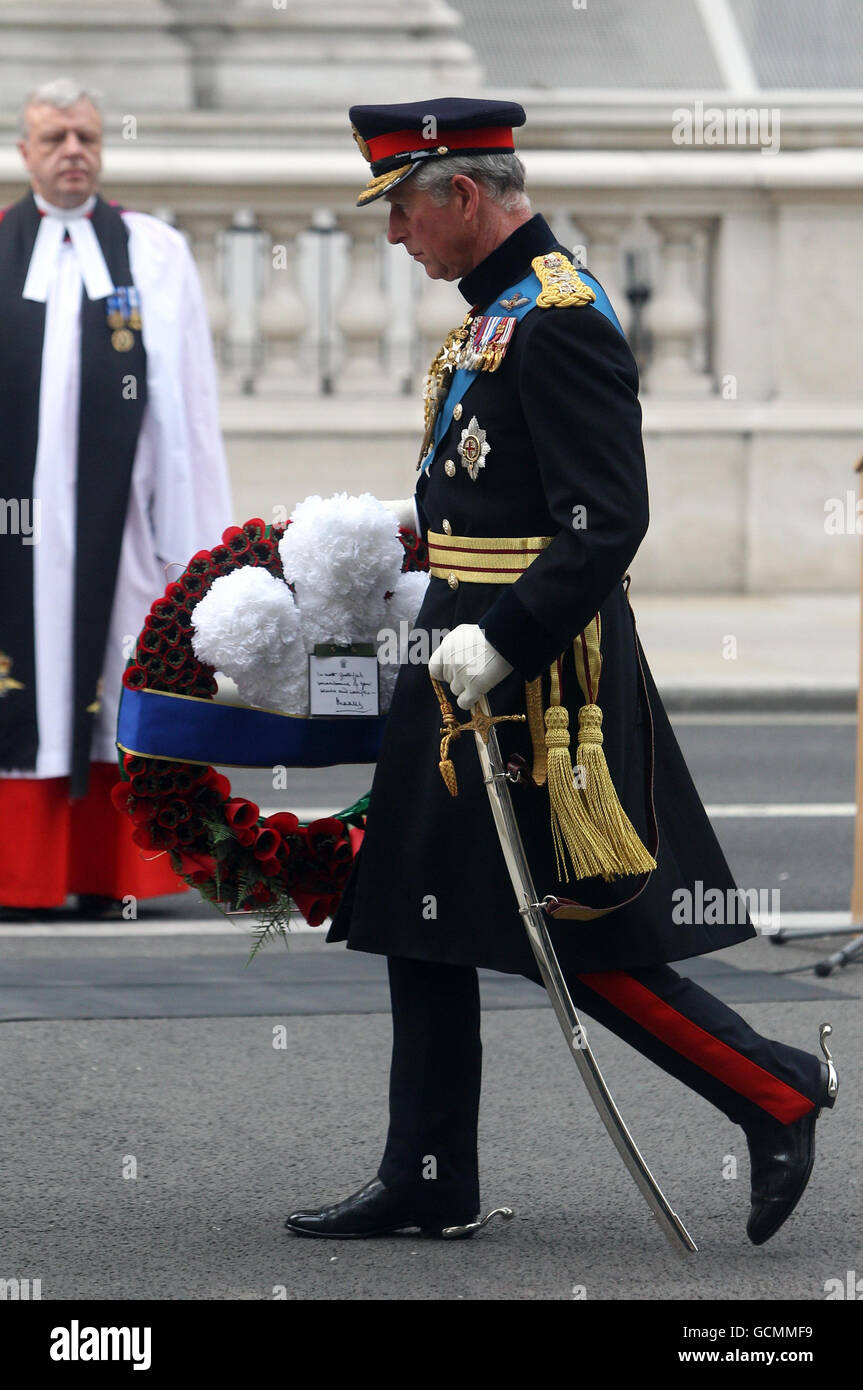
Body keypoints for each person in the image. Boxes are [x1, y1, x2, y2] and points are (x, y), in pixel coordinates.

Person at [285, 99, 838, 1247]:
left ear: (461, 194)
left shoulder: (562, 318)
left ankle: (774, 1089)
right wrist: (401, 535)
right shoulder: (496, 315)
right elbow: (499, 489)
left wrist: (500, 641)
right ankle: (430, 1172)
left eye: (401, 207)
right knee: (417, 916)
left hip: (540, 680)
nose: (394, 236)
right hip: (461, 655)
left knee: (578, 935)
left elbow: (602, 522)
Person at [0, 78, 232, 918]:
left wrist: (196, 547)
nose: (74, 151)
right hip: (14, 537)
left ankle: (109, 873)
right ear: (24, 152)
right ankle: (18, 874)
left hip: (122, 527)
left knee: (115, 673)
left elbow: (188, 410)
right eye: (55, 138)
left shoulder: (153, 251)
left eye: (87, 138)